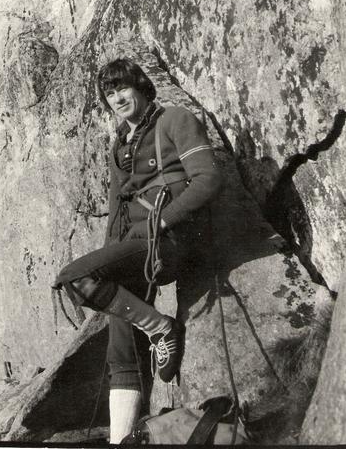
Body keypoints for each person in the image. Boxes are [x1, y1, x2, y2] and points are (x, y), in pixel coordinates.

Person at [55, 58, 222, 443]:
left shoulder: (174, 120)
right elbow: (115, 218)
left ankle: (163, 329)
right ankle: (121, 442)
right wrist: (108, 261)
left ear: (142, 86)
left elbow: (209, 179)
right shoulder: (119, 146)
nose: (116, 98)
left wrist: (163, 221)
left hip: (175, 240)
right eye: (109, 93)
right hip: (136, 246)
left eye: (122, 88)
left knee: (75, 275)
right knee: (119, 350)